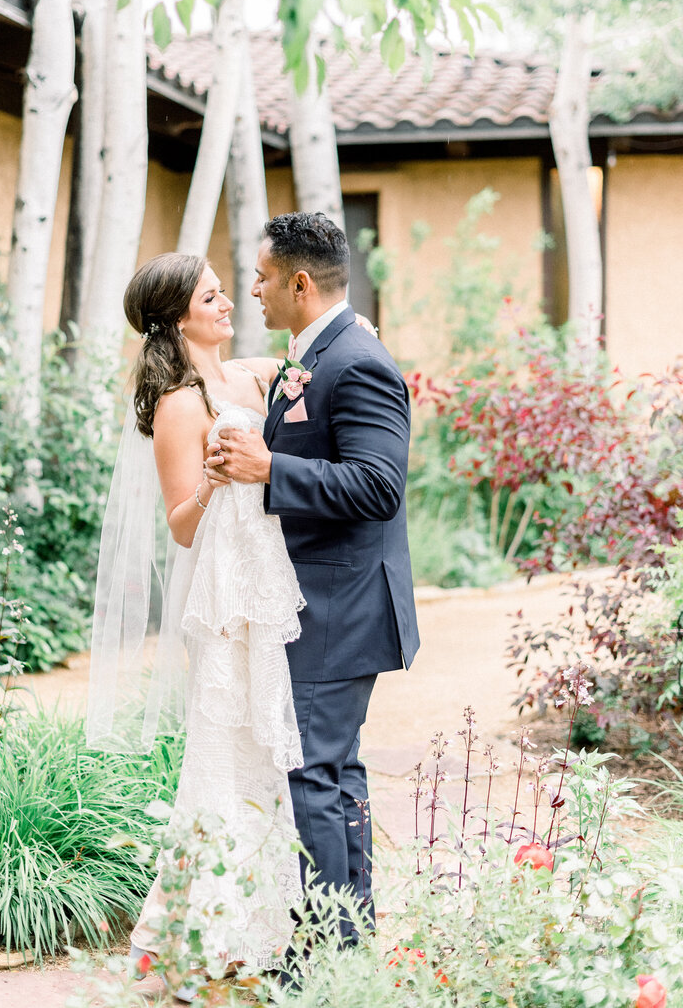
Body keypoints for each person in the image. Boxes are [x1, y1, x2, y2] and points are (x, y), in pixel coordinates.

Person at [87, 252, 306, 996]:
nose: (227, 301)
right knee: (222, 748)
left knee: (269, 748)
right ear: (180, 316)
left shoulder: (244, 375)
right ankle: (192, 930)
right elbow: (181, 526)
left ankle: (264, 924)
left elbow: (293, 363)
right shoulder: (179, 404)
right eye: (212, 294)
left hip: (268, 581)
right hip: (218, 595)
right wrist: (213, 479)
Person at [206, 211, 419, 945]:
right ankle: (346, 942)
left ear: (299, 281)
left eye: (261, 277)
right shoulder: (311, 356)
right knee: (332, 773)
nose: (253, 291)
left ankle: (328, 955)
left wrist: (270, 469)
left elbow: (377, 484)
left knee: (314, 776)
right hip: (319, 600)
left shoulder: (357, 361)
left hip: (342, 603)